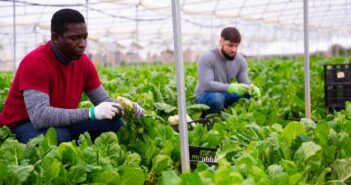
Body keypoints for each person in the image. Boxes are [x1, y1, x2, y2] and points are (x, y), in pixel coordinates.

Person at [0, 8, 144, 144]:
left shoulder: (84, 62)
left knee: (115, 123)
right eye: (74, 38)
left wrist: (127, 110)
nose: (82, 44)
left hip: (61, 122)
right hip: (22, 124)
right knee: (59, 135)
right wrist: (91, 113)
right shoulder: (35, 62)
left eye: (84, 37)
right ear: (56, 37)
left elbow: (102, 100)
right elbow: (40, 117)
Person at [194, 27, 261, 117]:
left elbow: (244, 83)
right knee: (217, 99)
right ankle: (211, 121)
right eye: (230, 45)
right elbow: (206, 84)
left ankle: (237, 118)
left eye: (236, 46)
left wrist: (252, 89)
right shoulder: (207, 57)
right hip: (206, 94)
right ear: (221, 41)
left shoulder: (240, 60)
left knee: (248, 95)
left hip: (226, 94)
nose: (234, 50)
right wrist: (231, 87)